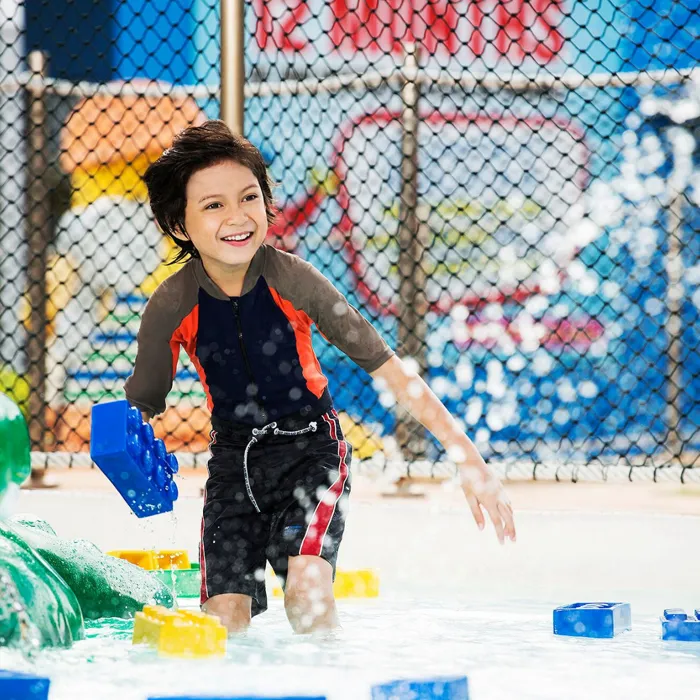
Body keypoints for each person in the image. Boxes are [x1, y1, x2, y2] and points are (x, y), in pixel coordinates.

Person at [124, 120, 516, 636]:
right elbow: (143, 403)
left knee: (308, 586)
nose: (238, 217)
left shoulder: (294, 280)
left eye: (249, 198)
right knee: (224, 620)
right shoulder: (171, 304)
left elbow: (389, 370)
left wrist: (468, 457)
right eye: (213, 205)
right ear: (179, 224)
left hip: (312, 451)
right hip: (232, 467)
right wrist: (126, 446)